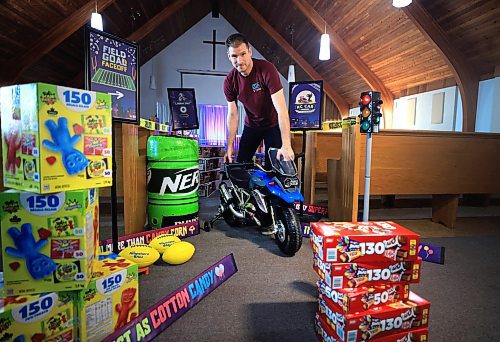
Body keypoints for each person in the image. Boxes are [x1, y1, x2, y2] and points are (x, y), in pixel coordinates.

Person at [223, 33, 294, 169]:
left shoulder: (267, 69)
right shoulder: (229, 81)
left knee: (273, 167)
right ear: (229, 57)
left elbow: (282, 109)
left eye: (243, 54)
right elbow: (233, 115)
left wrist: (286, 145)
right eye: (234, 56)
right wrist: (230, 146)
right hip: (252, 126)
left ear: (250, 52)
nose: (240, 60)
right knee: (241, 165)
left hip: (273, 125)